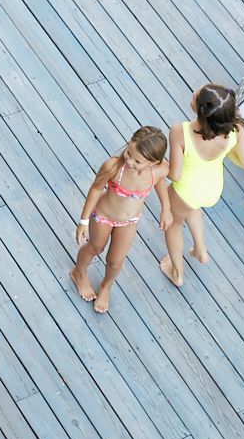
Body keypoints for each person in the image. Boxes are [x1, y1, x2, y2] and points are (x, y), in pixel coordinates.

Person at [160, 84, 244, 286]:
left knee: (173, 224)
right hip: (211, 188)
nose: (195, 92)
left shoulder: (180, 131)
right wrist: (232, 146)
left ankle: (176, 273)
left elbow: (175, 175)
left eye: (197, 95)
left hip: (186, 190)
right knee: (193, 208)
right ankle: (200, 250)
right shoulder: (234, 129)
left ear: (203, 113)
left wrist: (159, 165)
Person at [71, 127, 172, 314]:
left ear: (153, 162)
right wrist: (83, 221)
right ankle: (79, 272)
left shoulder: (159, 170)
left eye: (138, 161)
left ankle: (106, 285)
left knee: (116, 261)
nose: (130, 161)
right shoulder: (114, 167)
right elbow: (96, 189)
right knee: (95, 247)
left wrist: (166, 208)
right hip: (103, 217)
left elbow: (160, 180)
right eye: (128, 153)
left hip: (129, 221)